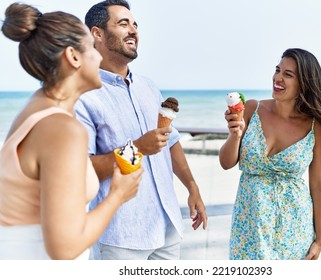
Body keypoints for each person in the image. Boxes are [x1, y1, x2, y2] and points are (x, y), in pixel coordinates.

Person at [0, 2, 143, 260]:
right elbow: (63, 248)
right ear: (73, 56)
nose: (99, 56)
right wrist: (118, 195)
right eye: (90, 47)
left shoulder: (40, 107)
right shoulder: (62, 128)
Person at [74, 0, 208, 260]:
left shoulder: (148, 87)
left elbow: (169, 142)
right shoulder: (83, 96)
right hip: (120, 237)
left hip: (166, 228)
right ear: (97, 33)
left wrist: (193, 188)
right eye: (123, 24)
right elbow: (84, 170)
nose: (133, 30)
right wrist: (136, 150)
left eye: (135, 24)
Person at [219, 48, 321, 260]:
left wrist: (320, 239)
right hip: (249, 226)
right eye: (278, 70)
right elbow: (226, 163)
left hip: (294, 228)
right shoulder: (251, 109)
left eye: (288, 74)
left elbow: (320, 185)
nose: (278, 77)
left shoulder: (314, 126)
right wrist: (235, 135)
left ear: (304, 83)